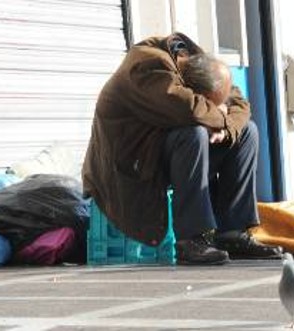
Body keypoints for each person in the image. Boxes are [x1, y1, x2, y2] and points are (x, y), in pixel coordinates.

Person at [82, 32, 283, 265]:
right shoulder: (147, 66)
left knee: (246, 132)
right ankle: (191, 240)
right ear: (191, 87)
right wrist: (219, 117)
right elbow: (188, 109)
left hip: (160, 154)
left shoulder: (197, 60)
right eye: (208, 101)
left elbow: (240, 103)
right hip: (130, 166)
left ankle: (232, 233)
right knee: (193, 133)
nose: (214, 108)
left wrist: (225, 128)